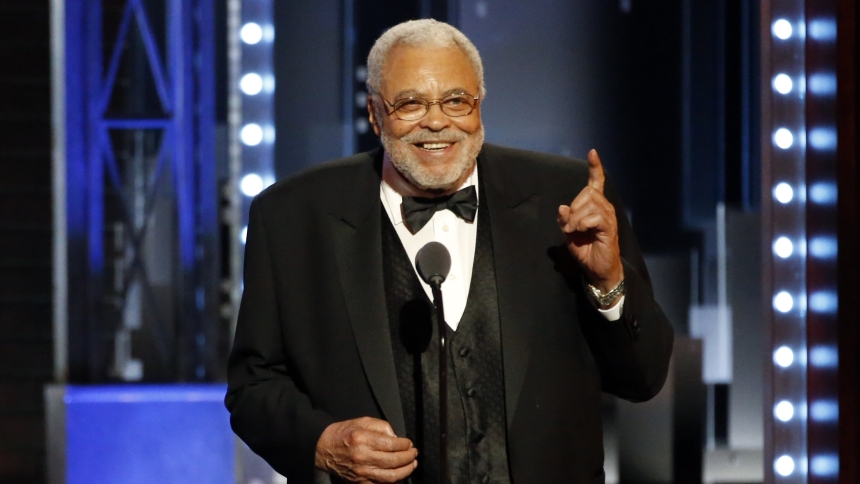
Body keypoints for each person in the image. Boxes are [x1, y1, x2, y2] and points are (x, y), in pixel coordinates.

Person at [226, 19, 673, 484]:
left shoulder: (566, 197)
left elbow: (643, 379)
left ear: (480, 106)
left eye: (457, 101)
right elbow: (253, 388)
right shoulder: (293, 217)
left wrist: (609, 283)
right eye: (411, 103)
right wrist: (322, 443)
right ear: (376, 114)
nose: (436, 121)